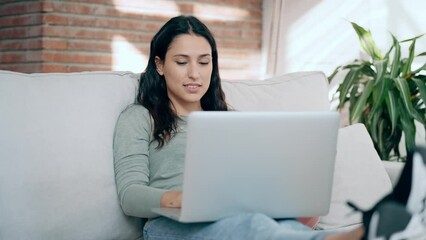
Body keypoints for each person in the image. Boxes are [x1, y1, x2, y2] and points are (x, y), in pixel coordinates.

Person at [113, 15, 365, 240]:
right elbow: (130, 195)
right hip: (169, 226)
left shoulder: (229, 120)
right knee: (253, 225)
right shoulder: (140, 117)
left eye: (204, 62)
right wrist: (179, 198)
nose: (194, 74)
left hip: (239, 221)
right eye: (181, 62)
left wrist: (288, 199)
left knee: (270, 224)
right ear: (159, 65)